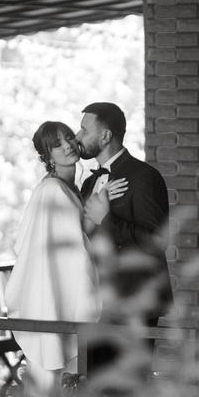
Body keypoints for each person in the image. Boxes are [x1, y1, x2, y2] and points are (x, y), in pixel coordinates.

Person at [4, 120, 126, 397]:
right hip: (52, 296)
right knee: (53, 389)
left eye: (69, 137)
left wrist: (98, 203)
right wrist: (99, 212)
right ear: (47, 157)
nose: (68, 145)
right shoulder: (51, 192)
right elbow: (69, 250)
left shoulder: (71, 188)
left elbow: (77, 234)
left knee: (68, 388)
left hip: (64, 295)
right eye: (57, 144)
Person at [76, 102, 173, 368]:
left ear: (105, 136)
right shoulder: (88, 183)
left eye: (84, 130)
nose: (77, 137)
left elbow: (155, 242)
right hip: (95, 302)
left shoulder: (144, 177)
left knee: (126, 391)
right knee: (92, 382)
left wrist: (106, 219)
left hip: (134, 301)